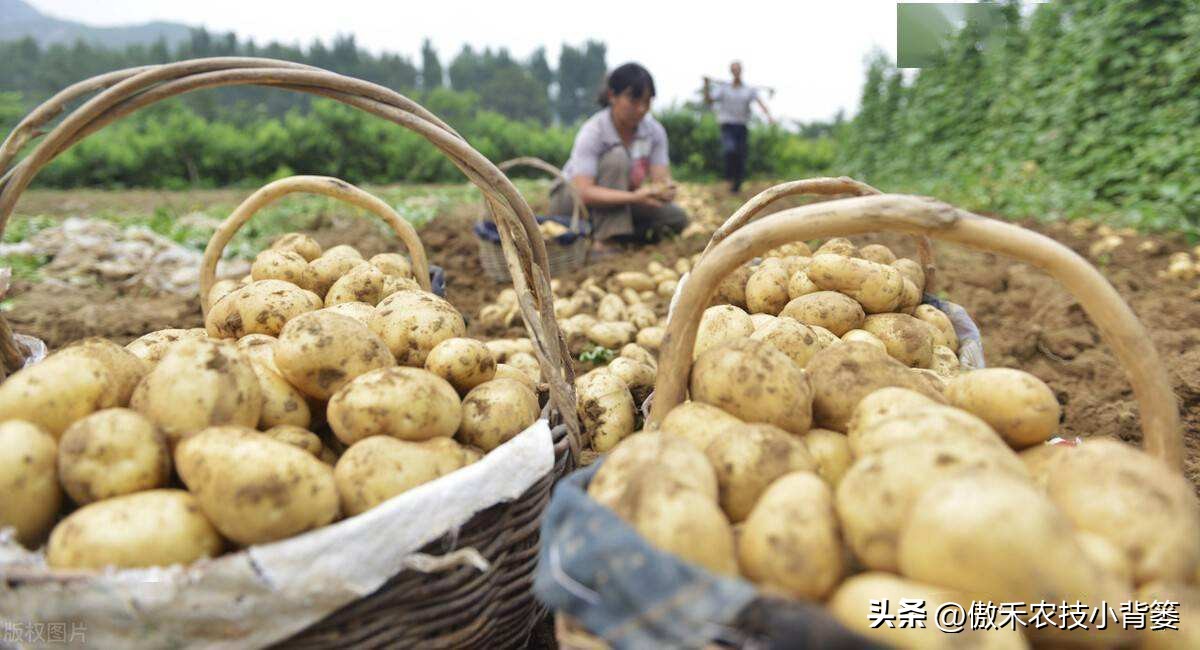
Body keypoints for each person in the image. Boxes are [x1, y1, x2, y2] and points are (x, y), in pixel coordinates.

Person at [549, 63, 688, 254]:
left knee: (675, 217)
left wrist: (664, 191)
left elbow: (661, 179)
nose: (641, 109)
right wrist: (635, 197)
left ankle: (601, 233)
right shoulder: (594, 131)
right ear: (612, 96)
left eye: (647, 102)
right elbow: (583, 191)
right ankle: (606, 241)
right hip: (572, 201)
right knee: (617, 157)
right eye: (634, 101)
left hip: (621, 199)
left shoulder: (654, 132)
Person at [703, 61, 774, 193]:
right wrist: (706, 86)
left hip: (741, 126)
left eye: (738, 69)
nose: (736, 72)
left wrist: (768, 116)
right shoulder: (724, 88)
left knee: (740, 155)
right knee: (730, 151)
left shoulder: (748, 90)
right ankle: (728, 180)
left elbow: (760, 102)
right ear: (731, 71)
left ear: (741, 71)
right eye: (734, 69)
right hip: (727, 126)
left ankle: (737, 185)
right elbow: (708, 100)